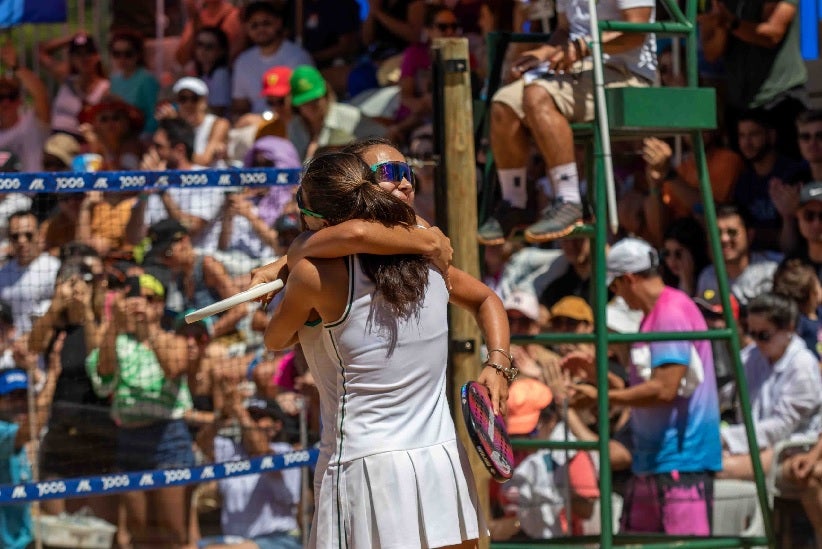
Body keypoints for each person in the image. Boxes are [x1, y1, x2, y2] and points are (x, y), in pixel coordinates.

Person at [263, 152, 494, 548]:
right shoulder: (432, 258)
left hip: (362, 468)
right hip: (441, 461)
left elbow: (275, 338)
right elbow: (485, 296)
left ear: (315, 218)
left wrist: (291, 264)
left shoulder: (312, 275)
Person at [572, 237, 722, 535]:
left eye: (615, 288)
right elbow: (649, 385)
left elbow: (664, 389)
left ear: (628, 279)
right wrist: (599, 378)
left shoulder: (669, 314)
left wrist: (603, 396)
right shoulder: (656, 316)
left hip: (681, 463)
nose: (616, 297)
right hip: (657, 462)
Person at [478, 0, 656, 244]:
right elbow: (564, 30)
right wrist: (543, 52)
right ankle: (514, 202)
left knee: (538, 95)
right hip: (580, 68)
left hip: (625, 73)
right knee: (503, 104)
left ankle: (569, 201)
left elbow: (637, 29)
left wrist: (584, 46)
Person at [86, 272, 194, 548]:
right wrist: (114, 322)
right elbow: (104, 372)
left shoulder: (174, 337)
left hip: (168, 437)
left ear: (159, 305)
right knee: (139, 529)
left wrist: (147, 327)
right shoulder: (119, 341)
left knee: (173, 531)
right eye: (135, 299)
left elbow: (174, 368)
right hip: (129, 440)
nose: (141, 305)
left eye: (149, 299)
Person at [720, 292, 822, 480]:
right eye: (752, 334)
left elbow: (780, 427)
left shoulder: (802, 365)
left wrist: (726, 438)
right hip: (753, 442)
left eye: (764, 335)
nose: (756, 341)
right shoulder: (752, 355)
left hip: (790, 447)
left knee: (720, 468)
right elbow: (724, 393)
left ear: (789, 329)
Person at [197, 393, 301, 549]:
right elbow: (202, 442)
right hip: (235, 541)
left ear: (276, 426)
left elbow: (261, 451)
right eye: (250, 416)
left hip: (278, 540)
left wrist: (240, 411)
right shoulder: (230, 450)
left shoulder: (284, 452)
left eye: (258, 417)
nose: (250, 422)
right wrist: (222, 416)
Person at [287, 65, 387, 160]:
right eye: (305, 102)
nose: (311, 106)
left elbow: (384, 139)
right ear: (296, 105)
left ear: (326, 94)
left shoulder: (349, 116)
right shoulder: (295, 127)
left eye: (315, 100)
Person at [231, 1, 314, 117]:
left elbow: (307, 104)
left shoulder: (298, 57)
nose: (261, 29)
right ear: (246, 28)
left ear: (278, 23)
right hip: (254, 127)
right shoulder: (242, 62)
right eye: (254, 25)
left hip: (290, 123)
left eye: (266, 23)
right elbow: (240, 106)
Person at [39, 33, 109, 139]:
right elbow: (41, 52)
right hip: (54, 138)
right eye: (79, 54)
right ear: (72, 58)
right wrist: (72, 38)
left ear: (97, 56)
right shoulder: (67, 80)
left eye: (89, 53)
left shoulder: (105, 88)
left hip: (81, 141)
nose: (84, 58)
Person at [0, 210, 60, 334]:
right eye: (15, 236)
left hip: (41, 346)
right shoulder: (3, 273)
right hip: (8, 348)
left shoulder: (53, 268)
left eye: (28, 235)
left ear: (39, 235)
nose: (22, 241)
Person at [0, 41, 50, 172]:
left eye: (11, 97)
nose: (5, 103)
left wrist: (14, 66)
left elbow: (40, 93)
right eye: (0, 98)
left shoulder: (32, 123)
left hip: (31, 191)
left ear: (19, 100)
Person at [108, 29, 160, 135]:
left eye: (128, 54)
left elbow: (154, 115)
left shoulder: (147, 79)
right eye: (117, 54)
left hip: (140, 136)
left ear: (138, 54)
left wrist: (144, 138)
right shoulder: (114, 80)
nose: (122, 59)